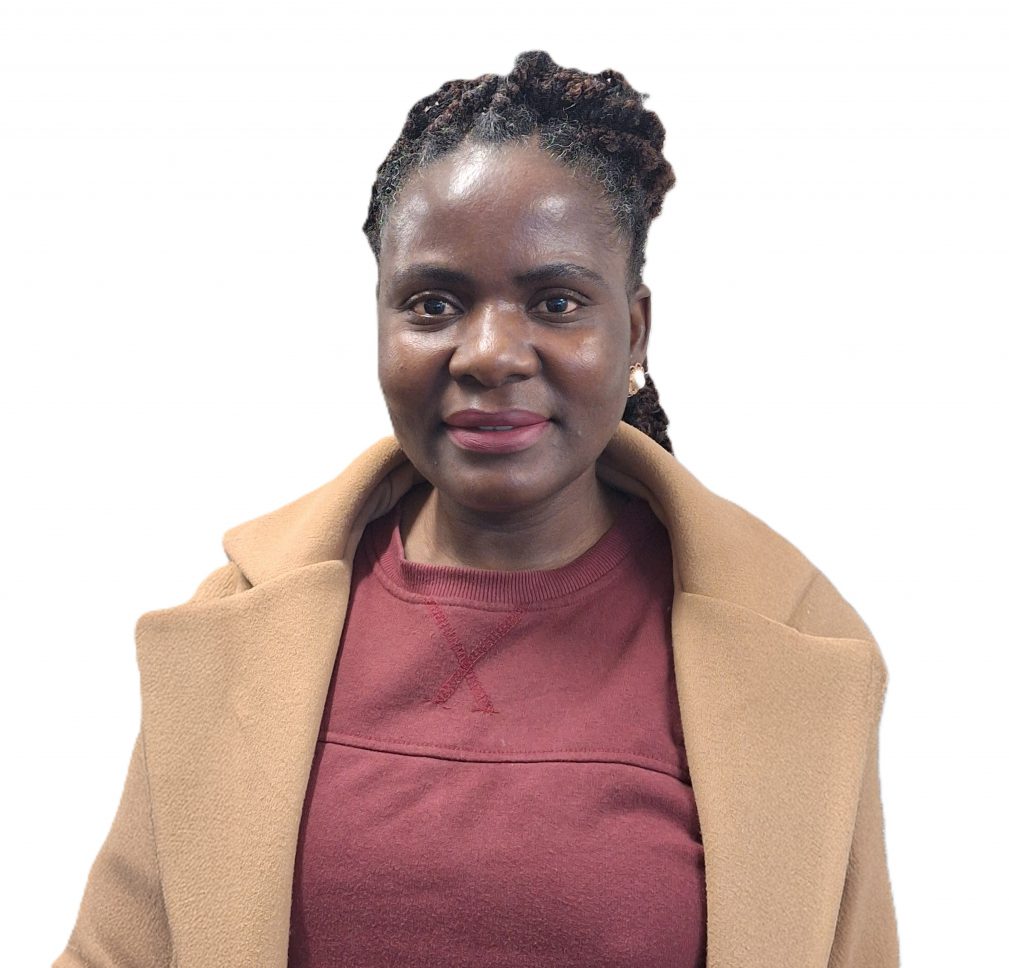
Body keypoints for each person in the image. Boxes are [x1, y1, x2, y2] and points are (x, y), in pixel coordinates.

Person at [53, 50, 899, 968]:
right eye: (433, 304)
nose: (490, 353)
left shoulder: (793, 642)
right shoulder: (241, 620)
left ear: (634, 331)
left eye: (556, 301)